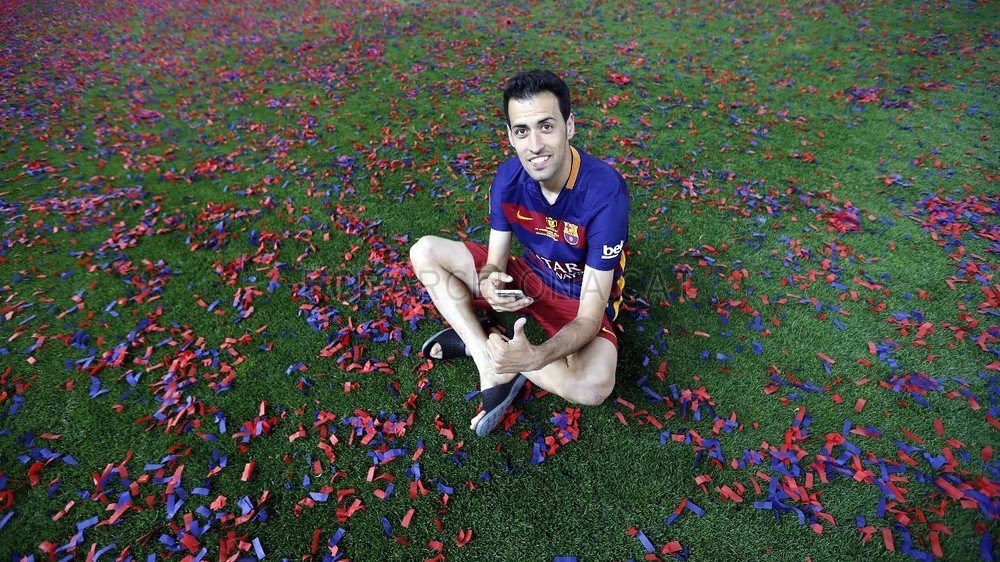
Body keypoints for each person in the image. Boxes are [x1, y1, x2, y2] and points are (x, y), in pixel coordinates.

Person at [409, 69, 630, 436]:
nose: (535, 145)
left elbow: (590, 317)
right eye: (522, 131)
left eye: (546, 126)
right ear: (510, 136)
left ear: (569, 126)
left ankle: (499, 352)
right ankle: (487, 359)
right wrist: (489, 281)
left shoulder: (606, 193)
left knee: (593, 386)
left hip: (581, 297)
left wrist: (536, 357)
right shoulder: (508, 178)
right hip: (528, 280)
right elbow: (495, 262)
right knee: (425, 251)